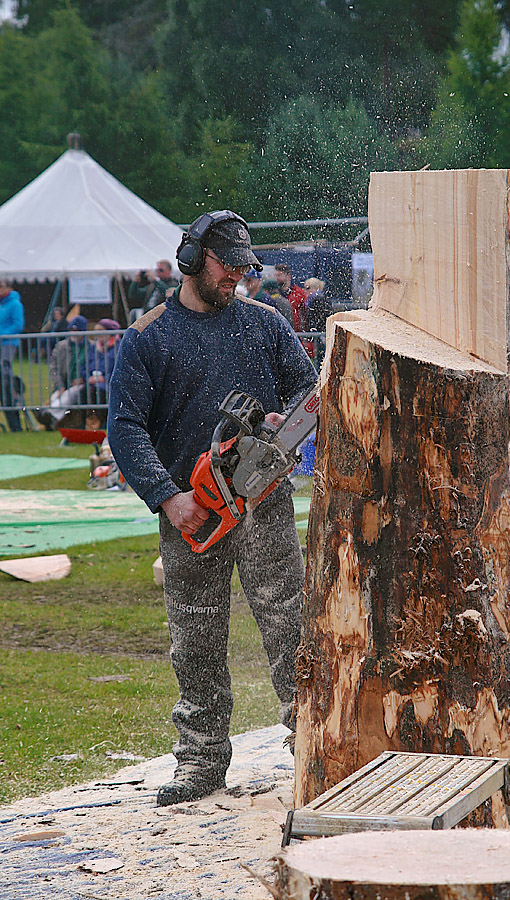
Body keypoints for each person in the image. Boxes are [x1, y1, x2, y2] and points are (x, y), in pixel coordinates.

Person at [108, 209, 317, 807]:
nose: (237, 280)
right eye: (228, 268)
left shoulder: (264, 323)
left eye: (244, 269)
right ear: (196, 260)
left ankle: (312, 738)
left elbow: (308, 389)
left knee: (288, 621)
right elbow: (124, 427)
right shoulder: (147, 336)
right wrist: (168, 497)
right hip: (190, 509)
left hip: (261, 500)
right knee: (195, 638)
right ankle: (200, 759)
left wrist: (286, 423)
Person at [0, 280, 25, 432]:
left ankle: (14, 393)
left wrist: (2, 335)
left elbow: (18, 325)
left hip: (8, 344)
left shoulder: (15, 304)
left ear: (9, 287)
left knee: (5, 376)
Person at [304, 277, 332, 368]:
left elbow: (315, 318)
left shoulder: (316, 300)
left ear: (315, 288)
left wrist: (311, 333)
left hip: (320, 334)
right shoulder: (320, 298)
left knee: (320, 359)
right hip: (321, 334)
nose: (305, 291)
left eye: (308, 288)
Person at [274, 263, 307, 333]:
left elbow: (305, 314)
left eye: (279, 275)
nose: (277, 278)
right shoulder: (274, 293)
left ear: (288, 276)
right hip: (280, 330)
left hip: (297, 332)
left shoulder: (299, 293)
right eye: (276, 275)